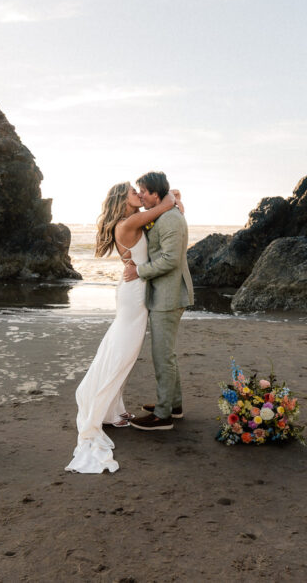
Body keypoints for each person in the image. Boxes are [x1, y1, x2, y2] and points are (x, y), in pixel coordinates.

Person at [65, 181, 183, 473]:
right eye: (134, 191)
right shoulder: (128, 222)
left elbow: (166, 209)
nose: (139, 195)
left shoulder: (131, 220)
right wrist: (169, 195)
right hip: (133, 295)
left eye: (139, 190)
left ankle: (112, 410)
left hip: (136, 290)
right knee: (123, 354)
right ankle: (104, 408)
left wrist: (173, 199)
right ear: (123, 199)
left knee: (121, 351)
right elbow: (166, 204)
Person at [123, 171, 194, 431]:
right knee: (166, 354)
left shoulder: (171, 219)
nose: (141, 196)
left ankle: (163, 415)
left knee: (162, 355)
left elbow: (171, 260)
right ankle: (173, 405)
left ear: (155, 194)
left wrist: (138, 271)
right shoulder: (164, 212)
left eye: (144, 192)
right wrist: (173, 196)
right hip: (164, 293)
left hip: (169, 294)